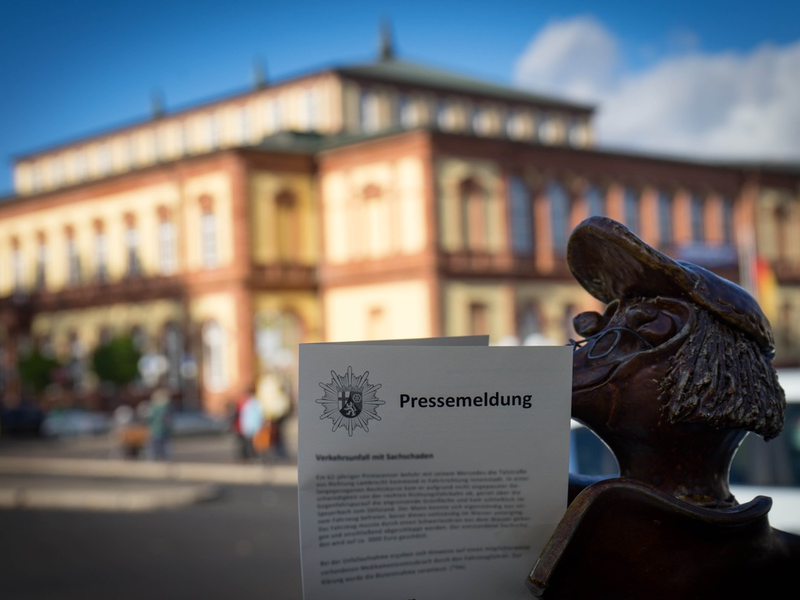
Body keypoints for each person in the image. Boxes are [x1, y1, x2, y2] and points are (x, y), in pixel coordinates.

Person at [528, 216, 799, 599]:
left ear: (715, 369)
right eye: (603, 326)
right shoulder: (544, 506)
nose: (593, 340)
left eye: (652, 326)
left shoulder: (778, 562)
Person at [238, 387, 264, 461]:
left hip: (252, 426)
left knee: (254, 443)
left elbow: (257, 415)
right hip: (250, 426)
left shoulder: (252, 403)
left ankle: (253, 456)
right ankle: (250, 456)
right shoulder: (249, 403)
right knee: (249, 443)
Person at [147, 388, 173, 461]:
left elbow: (150, 419)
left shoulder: (154, 407)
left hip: (156, 430)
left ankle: (155, 461)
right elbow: (168, 419)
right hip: (163, 430)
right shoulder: (166, 406)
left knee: (155, 448)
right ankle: (165, 460)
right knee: (165, 448)